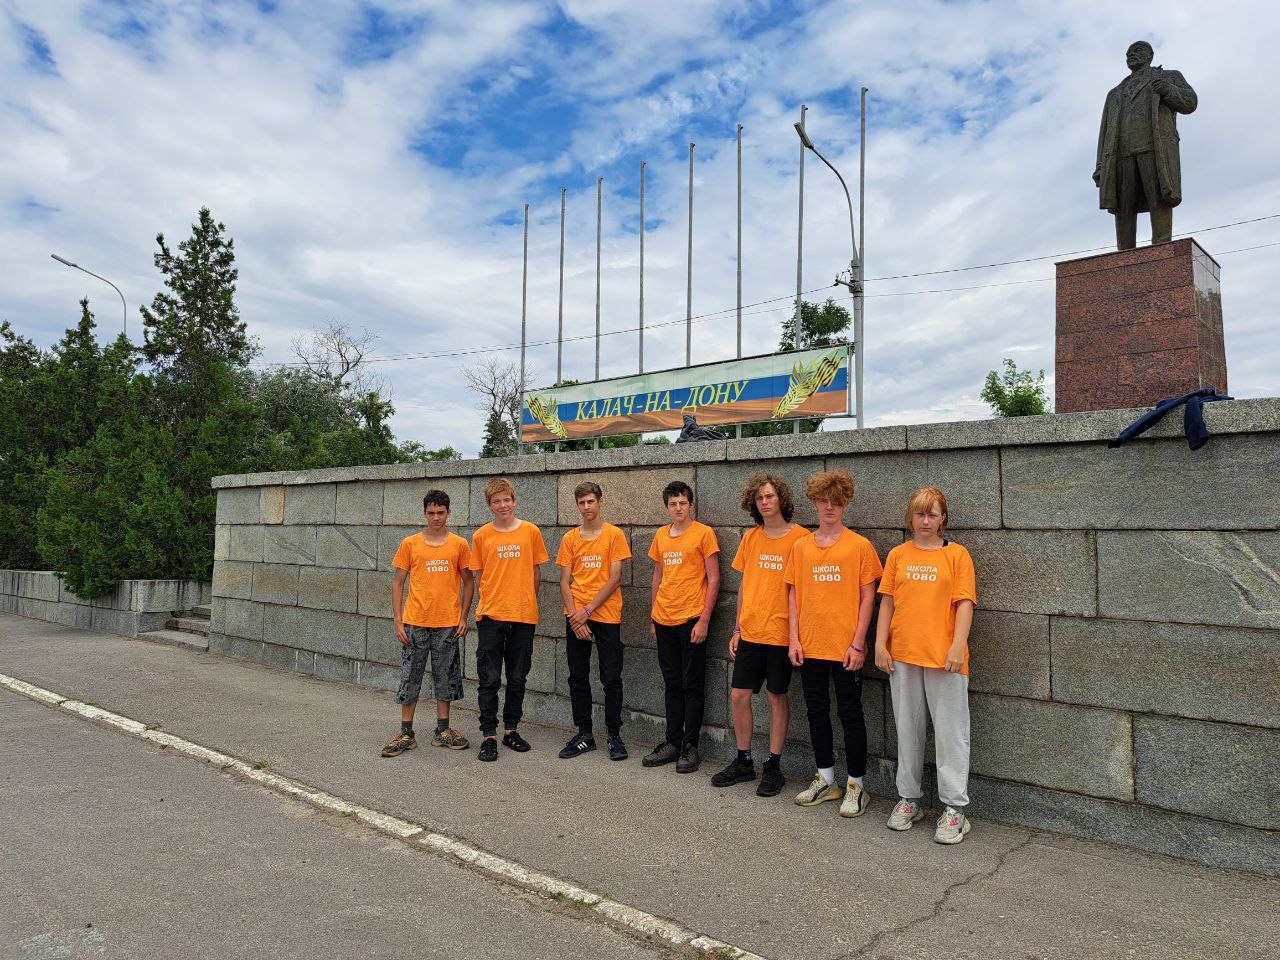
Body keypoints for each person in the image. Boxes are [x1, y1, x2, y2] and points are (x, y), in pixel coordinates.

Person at [874, 488, 977, 844]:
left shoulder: (957, 555)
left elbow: (965, 604)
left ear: (943, 518)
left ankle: (955, 808)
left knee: (950, 733)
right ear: (911, 517)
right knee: (908, 730)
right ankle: (909, 799)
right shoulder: (898, 555)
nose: (926, 521)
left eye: (932, 514)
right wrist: (880, 644)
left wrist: (957, 645)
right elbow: (887, 602)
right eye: (920, 514)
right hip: (903, 655)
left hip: (945, 658)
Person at [784, 469, 882, 816]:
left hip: (845, 649)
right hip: (810, 645)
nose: (830, 507)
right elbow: (793, 595)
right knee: (816, 712)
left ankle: (856, 785)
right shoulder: (800, 546)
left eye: (836, 502)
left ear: (845, 504)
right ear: (814, 503)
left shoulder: (860, 546)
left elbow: (868, 597)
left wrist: (858, 643)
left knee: (850, 714)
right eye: (824, 501)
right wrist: (793, 639)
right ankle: (826, 779)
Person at [711, 473, 808, 797]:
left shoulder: (800, 538)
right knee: (739, 695)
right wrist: (737, 627)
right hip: (751, 631)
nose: (765, 502)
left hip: (781, 634)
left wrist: (796, 635)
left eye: (769, 496)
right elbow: (745, 585)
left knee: (776, 696)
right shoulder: (751, 538)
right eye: (759, 498)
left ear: (781, 499)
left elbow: (803, 591)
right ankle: (743, 761)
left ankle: (774, 765)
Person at [382, 490, 473, 757]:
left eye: (441, 513)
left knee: (446, 676)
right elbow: (398, 582)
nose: (436, 517)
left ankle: (443, 730)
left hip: (447, 623)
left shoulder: (459, 544)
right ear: (424, 513)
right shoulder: (410, 543)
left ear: (449, 513)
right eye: (431, 513)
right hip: (415, 622)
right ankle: (406, 733)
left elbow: (469, 582)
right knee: (411, 675)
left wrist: (463, 617)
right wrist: (398, 621)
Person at [468, 477, 549, 762]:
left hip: (523, 615)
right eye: (496, 501)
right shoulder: (481, 536)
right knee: (489, 678)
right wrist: (491, 601)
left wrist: (526, 600)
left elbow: (536, 571)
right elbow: (479, 576)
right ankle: (488, 735)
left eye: (506, 499)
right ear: (489, 505)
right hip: (491, 615)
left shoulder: (530, 531)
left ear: (514, 501)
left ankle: (511, 730)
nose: (502, 505)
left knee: (517, 677)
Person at [643, 480, 720, 773]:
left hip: (691, 619)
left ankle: (690, 746)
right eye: (673, 503)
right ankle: (672, 742)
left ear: (691, 504)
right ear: (667, 507)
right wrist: (653, 616)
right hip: (664, 619)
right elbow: (657, 576)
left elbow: (714, 578)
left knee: (692, 684)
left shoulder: (703, 533)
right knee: (672, 683)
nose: (678, 508)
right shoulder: (661, 535)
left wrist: (704, 619)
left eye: (683, 503)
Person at [1094, 40, 1197, 250]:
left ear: (1150, 56)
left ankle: (1162, 249)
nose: (1130, 55)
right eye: (1127, 53)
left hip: (1154, 149)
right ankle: (1124, 254)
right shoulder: (1115, 93)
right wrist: (1100, 166)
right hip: (1121, 153)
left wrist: (1168, 90)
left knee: (1159, 198)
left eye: (1136, 51)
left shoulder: (1168, 77)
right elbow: (1104, 132)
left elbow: (1190, 103)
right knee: (1123, 206)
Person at [556, 481, 632, 762]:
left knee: (611, 678)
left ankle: (614, 735)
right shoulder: (570, 538)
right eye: (581, 502)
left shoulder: (614, 535)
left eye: (590, 501)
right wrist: (576, 618)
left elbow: (615, 578)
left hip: (605, 614)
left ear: (600, 502)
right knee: (577, 676)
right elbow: (564, 581)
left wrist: (587, 611)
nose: (586, 507)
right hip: (576, 615)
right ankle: (584, 734)